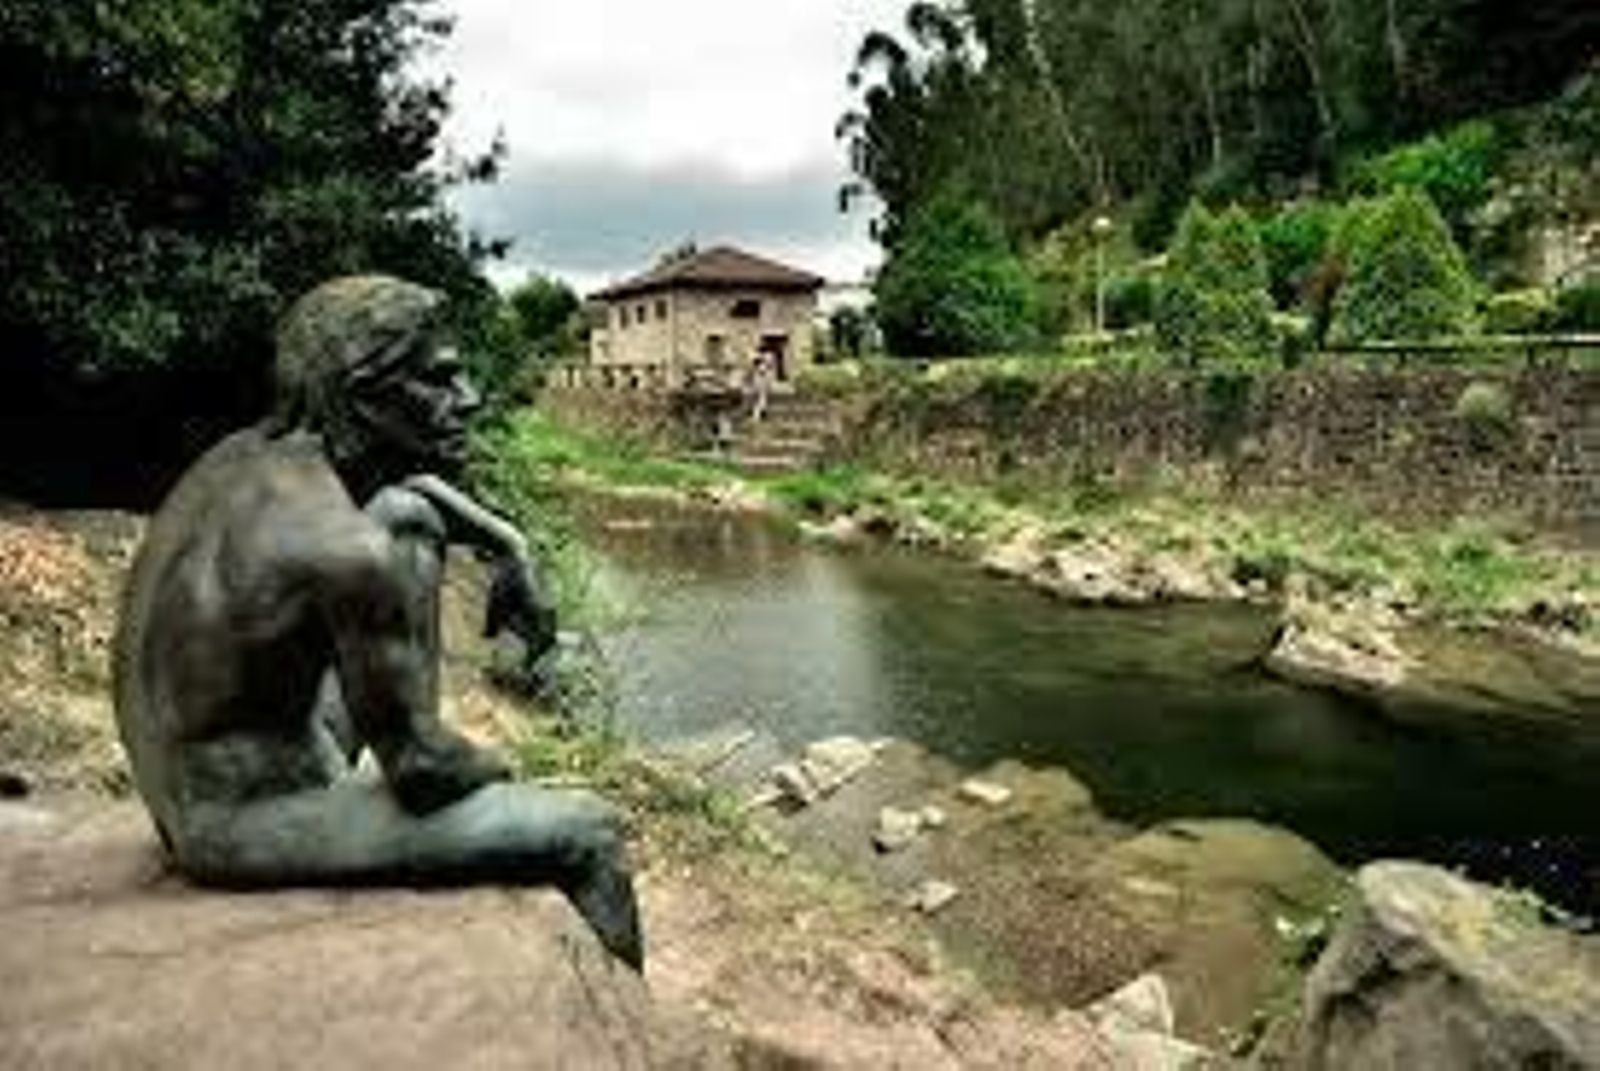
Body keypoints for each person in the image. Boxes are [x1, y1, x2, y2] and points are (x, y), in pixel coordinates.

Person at [111, 275, 643, 969]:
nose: (470, 398)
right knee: (592, 833)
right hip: (239, 823)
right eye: (439, 380)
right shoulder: (348, 552)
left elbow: (408, 493)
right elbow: (426, 775)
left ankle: (398, 719)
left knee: (411, 513)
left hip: (191, 774)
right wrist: (501, 769)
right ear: (367, 393)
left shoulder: (241, 456)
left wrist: (506, 539)